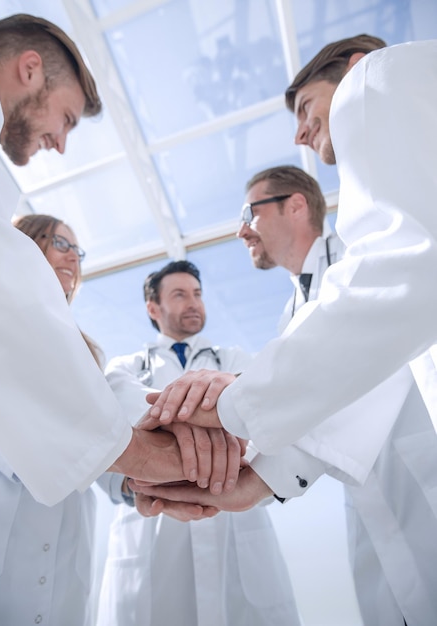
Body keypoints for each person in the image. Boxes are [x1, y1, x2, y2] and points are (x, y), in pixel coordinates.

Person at [136, 35, 437, 623]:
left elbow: (399, 284)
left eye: (305, 108)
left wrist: (238, 405)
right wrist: (262, 475)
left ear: (296, 206)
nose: (300, 132)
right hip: (380, 532)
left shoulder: (378, 82)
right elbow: (346, 375)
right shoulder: (291, 321)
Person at [0, 11, 232, 508]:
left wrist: (129, 471)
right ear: (31, 68)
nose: (60, 145)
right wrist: (146, 457)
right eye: (66, 120)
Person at [95, 260, 300, 626]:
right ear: (153, 308)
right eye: (180, 294)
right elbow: (107, 446)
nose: (193, 303)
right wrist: (213, 418)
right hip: (151, 541)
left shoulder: (236, 360)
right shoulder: (123, 370)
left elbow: (273, 423)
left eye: (198, 294)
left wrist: (159, 440)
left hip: (236, 534)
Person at [0, 214, 101, 625]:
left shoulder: (87, 352)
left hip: (66, 555)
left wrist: (132, 479)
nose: (74, 257)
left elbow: (110, 441)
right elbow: (0, 430)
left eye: (78, 250)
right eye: (61, 243)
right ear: (24, 246)